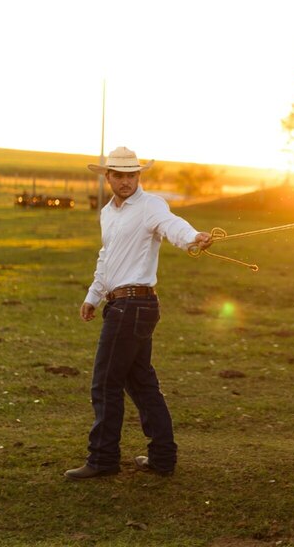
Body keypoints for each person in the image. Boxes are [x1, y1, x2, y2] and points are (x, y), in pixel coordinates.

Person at [65, 146, 212, 480]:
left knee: (105, 383)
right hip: (122, 305)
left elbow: (172, 226)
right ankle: (162, 457)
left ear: (138, 176)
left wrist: (193, 238)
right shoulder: (108, 212)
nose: (126, 181)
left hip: (134, 306)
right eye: (119, 175)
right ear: (108, 177)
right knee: (141, 383)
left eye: (132, 175)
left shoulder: (151, 206)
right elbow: (107, 257)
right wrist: (93, 296)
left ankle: (103, 459)